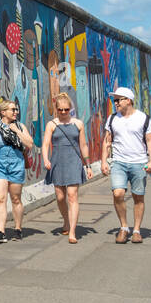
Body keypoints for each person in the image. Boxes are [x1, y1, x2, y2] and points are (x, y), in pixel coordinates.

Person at [100, 86, 151, 244]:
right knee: (118, 193)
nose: (115, 103)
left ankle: (137, 230)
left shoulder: (143, 118)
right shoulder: (112, 119)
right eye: (114, 100)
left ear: (128, 101)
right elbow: (107, 141)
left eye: (118, 100)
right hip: (119, 162)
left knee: (138, 197)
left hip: (139, 163)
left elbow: (150, 141)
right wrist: (104, 161)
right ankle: (124, 227)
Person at [0, 99, 32, 242]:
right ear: (3, 112)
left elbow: (30, 144)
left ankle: (18, 228)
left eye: (16, 109)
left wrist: (16, 131)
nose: (16, 112)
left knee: (15, 199)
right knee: (1, 199)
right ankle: (1, 232)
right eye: (13, 110)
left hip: (16, 166)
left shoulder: (20, 127)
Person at [42, 92, 92, 243]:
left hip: (73, 162)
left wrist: (88, 166)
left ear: (70, 109)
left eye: (66, 109)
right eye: (60, 110)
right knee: (60, 196)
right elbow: (45, 144)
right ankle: (66, 220)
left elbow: (83, 145)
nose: (63, 112)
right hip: (57, 161)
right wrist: (45, 159)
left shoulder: (78, 124)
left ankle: (72, 232)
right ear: (56, 109)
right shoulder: (51, 125)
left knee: (72, 195)